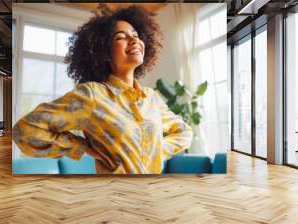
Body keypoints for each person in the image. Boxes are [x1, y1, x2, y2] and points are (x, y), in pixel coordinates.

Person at [13, 5, 193, 174]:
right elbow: (25, 130)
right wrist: (82, 147)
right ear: (104, 52)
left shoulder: (152, 99)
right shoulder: (92, 96)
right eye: (121, 37)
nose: (134, 40)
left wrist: (155, 150)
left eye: (136, 34)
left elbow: (184, 131)